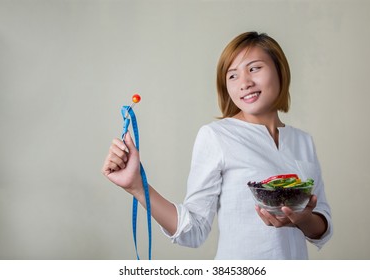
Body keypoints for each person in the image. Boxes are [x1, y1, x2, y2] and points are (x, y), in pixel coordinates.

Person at [101, 31, 333, 259]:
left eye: (254, 68)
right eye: (232, 75)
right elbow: (193, 231)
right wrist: (137, 187)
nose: (245, 83)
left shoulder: (304, 141)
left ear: (280, 71)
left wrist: (303, 220)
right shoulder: (216, 136)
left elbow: (322, 227)